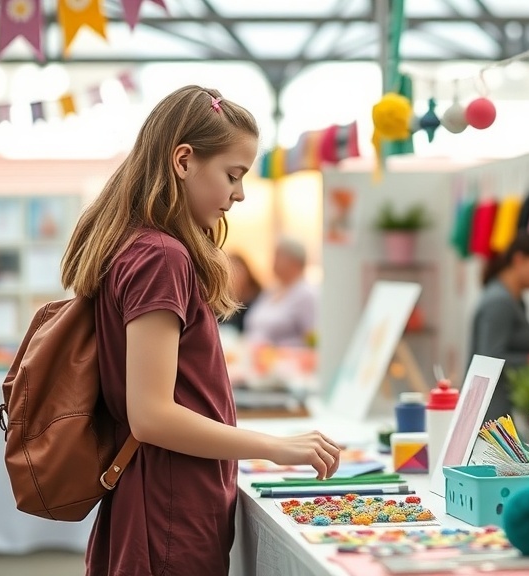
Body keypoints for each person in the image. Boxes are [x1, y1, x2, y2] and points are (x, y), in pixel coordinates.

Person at [59, 86, 341, 576]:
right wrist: (275, 446)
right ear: (184, 160)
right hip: (169, 504)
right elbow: (151, 416)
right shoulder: (161, 256)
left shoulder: (142, 247)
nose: (240, 193)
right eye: (232, 175)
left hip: (164, 497)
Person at [470, 232, 529, 423]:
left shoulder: (516, 301)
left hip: (505, 411)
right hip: (492, 416)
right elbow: (489, 358)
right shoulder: (498, 303)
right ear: (519, 260)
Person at [243, 238, 317, 347]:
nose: (273, 261)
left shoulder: (306, 294)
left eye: (278, 256)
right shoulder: (271, 290)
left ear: (294, 261)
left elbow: (312, 338)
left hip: (287, 360)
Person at [220, 252, 262, 333]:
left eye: (237, 270)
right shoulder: (223, 300)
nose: (234, 276)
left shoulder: (259, 297)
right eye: (230, 271)